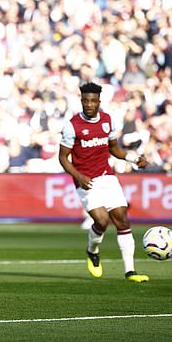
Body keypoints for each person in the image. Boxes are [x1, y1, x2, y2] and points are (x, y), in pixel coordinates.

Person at [58, 82, 149, 283]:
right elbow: (63, 158)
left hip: (107, 176)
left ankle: (130, 272)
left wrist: (134, 159)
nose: (89, 104)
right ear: (81, 101)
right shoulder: (72, 125)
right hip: (86, 181)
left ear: (99, 101)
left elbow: (114, 149)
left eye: (93, 101)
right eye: (85, 101)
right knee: (102, 221)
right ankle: (92, 251)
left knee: (122, 220)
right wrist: (78, 176)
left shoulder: (108, 121)